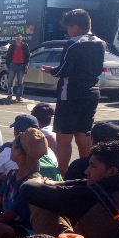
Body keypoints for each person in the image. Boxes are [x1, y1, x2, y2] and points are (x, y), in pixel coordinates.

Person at [39, 9, 105, 175]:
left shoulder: (74, 43)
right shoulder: (100, 42)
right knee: (83, 133)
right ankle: (87, 172)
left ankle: (61, 174)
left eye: (69, 26)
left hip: (70, 93)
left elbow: (65, 69)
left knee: (64, 136)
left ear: (76, 26)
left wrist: (51, 71)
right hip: (92, 92)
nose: (68, 31)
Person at [0, 128, 49, 238]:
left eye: (13, 146)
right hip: (6, 223)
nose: (10, 149)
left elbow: (7, 217)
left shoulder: (31, 184)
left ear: (19, 153)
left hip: (23, 230)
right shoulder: (12, 174)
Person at [6, 34, 30, 102]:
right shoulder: (12, 46)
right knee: (10, 81)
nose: (18, 39)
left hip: (21, 65)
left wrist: (27, 64)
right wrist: (8, 66)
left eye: (19, 37)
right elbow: (8, 56)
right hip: (13, 65)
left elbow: (28, 56)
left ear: (21, 38)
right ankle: (9, 95)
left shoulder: (25, 46)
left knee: (20, 82)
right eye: (17, 37)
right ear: (15, 39)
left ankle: (18, 96)